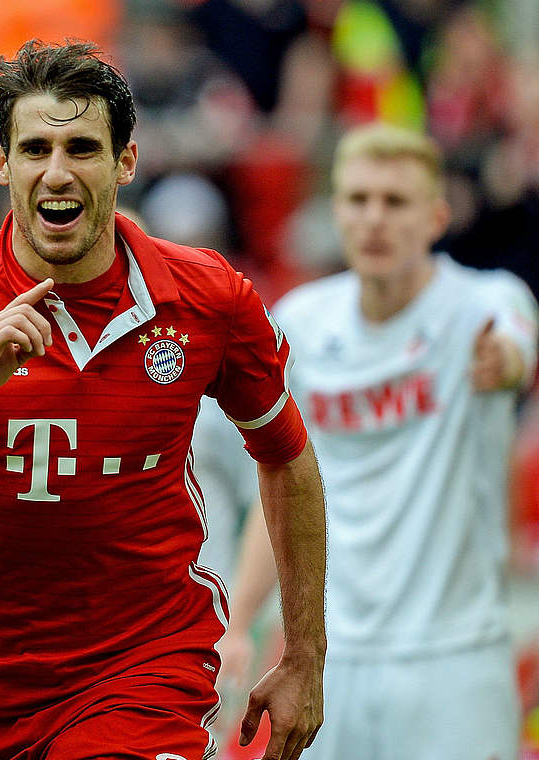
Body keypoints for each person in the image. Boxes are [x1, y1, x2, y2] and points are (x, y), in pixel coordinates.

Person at [0, 39, 327, 760]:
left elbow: (288, 458)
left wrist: (304, 654)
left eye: (83, 148)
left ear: (125, 164)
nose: (58, 172)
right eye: (35, 149)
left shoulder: (208, 296)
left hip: (145, 671)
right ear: (2, 163)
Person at [219, 123, 537, 759]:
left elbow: (517, 346)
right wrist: (238, 621)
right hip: (331, 654)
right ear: (336, 210)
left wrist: (503, 362)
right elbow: (280, 485)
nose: (375, 219)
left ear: (436, 215)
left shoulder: (482, 305)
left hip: (455, 657)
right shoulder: (303, 323)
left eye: (395, 202)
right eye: (359, 200)